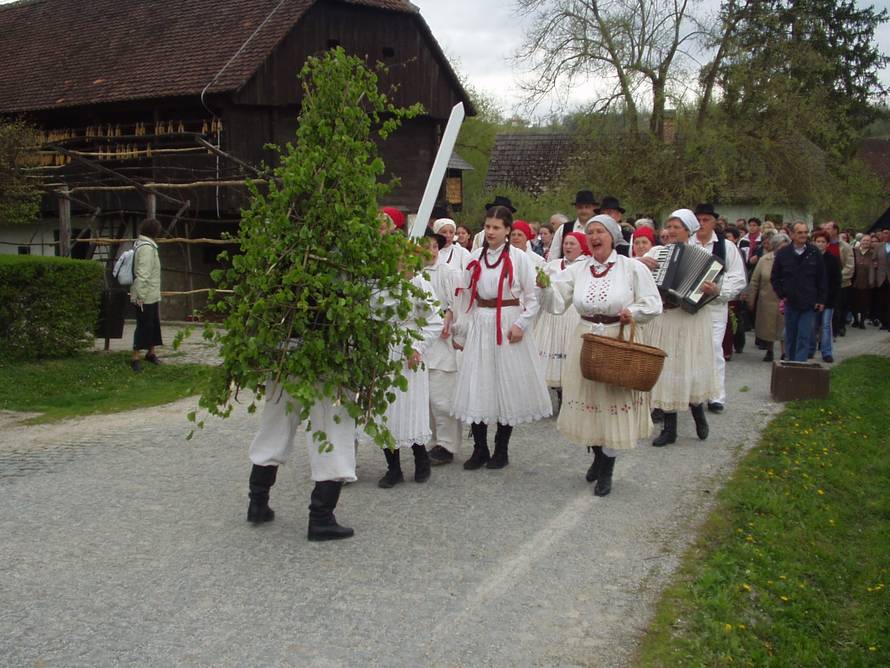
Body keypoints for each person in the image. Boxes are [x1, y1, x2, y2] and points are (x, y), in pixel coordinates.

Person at [539, 214, 661, 495]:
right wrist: (545, 285)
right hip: (585, 339)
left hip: (617, 340)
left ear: (612, 237)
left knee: (611, 403)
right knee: (589, 401)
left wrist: (634, 312)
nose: (594, 237)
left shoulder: (631, 268)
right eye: (590, 232)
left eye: (600, 232)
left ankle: (607, 467)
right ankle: (596, 454)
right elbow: (557, 305)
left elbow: (653, 304)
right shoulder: (579, 269)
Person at [451, 205, 552, 469]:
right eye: (487, 227)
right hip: (481, 323)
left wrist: (521, 324)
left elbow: (533, 297)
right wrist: (461, 329)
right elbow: (465, 294)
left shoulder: (520, 259)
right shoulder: (475, 257)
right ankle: (480, 448)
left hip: (506, 323)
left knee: (505, 384)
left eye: (497, 227)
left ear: (508, 230)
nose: (491, 232)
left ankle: (501, 449)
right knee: (478, 383)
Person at [638, 209, 717, 447]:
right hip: (665, 317)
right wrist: (642, 265)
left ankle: (697, 413)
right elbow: (635, 275)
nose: (671, 231)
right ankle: (669, 429)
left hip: (689, 320)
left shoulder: (704, 256)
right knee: (666, 370)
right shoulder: (656, 253)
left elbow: (717, 290)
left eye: (677, 227)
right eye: (669, 226)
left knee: (688, 366)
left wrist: (714, 291)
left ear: (688, 231)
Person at [368, 261, 444, 488]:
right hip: (382, 349)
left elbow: (435, 321)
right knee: (384, 407)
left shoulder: (419, 282)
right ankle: (393, 468)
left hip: (408, 350)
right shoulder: (376, 282)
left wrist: (417, 347)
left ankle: (421, 460)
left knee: (411, 405)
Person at [691, 203, 747, 414]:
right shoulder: (687, 244)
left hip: (714, 307)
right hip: (690, 307)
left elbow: (738, 278)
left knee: (714, 349)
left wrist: (718, 290)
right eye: (699, 220)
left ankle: (716, 396)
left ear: (715, 222)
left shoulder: (726, 247)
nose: (702, 224)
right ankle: (692, 394)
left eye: (706, 220)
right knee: (690, 350)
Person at [421, 232, 465, 467]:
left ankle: (448, 445)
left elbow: (457, 301)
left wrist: (449, 316)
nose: (431, 251)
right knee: (426, 396)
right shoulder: (413, 273)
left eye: (434, 247)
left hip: (441, 338)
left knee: (441, 396)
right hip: (420, 339)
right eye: (426, 246)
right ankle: (434, 441)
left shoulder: (449, 273)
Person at [534, 231, 589, 397]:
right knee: (552, 347)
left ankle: (569, 393)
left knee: (569, 351)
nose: (568, 246)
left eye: (572, 244)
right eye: (566, 243)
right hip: (553, 314)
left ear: (582, 247)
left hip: (573, 313)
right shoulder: (553, 265)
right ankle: (557, 393)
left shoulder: (586, 266)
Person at [770, 222, 827, 362]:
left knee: (804, 334)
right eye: (800, 232)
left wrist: (821, 300)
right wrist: (782, 294)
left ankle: (800, 364)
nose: (803, 235)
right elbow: (775, 277)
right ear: (792, 235)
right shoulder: (783, 254)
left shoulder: (814, 253)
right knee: (791, 335)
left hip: (809, 302)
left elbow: (822, 278)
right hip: (791, 301)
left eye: (805, 232)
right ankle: (790, 362)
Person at [746, 233, 789, 362]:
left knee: (784, 327)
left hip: (785, 299)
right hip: (767, 299)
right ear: (775, 247)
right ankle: (769, 350)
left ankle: (784, 352)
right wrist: (751, 298)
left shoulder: (792, 260)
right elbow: (754, 280)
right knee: (768, 328)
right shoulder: (764, 260)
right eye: (781, 247)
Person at [130, 217, 164, 372]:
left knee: (152, 324)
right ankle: (135, 357)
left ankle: (151, 352)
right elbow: (143, 274)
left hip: (151, 293)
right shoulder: (146, 248)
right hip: (145, 295)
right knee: (144, 325)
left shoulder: (145, 245)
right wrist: (141, 296)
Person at [810, 230, 842, 363]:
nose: (820, 244)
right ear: (814, 243)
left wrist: (831, 299)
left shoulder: (833, 260)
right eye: (818, 241)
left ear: (828, 244)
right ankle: (810, 349)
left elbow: (836, 281)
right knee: (812, 325)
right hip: (812, 299)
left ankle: (826, 351)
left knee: (826, 325)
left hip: (828, 300)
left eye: (823, 242)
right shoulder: (810, 257)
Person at [822, 221, 854, 337]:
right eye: (825, 228)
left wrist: (837, 277)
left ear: (835, 230)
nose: (826, 230)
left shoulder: (845, 247)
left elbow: (849, 266)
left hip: (840, 283)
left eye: (828, 228)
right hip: (824, 283)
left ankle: (839, 327)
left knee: (839, 307)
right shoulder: (822, 244)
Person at [550, 190, 598, 260]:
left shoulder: (600, 228)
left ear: (593, 208)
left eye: (587, 207)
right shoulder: (564, 228)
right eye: (580, 207)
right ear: (576, 208)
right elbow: (553, 255)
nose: (583, 211)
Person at [851, 233, 877, 329]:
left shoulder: (873, 253)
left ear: (870, 243)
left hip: (866, 282)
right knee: (853, 302)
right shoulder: (854, 251)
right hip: (854, 281)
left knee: (864, 303)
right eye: (864, 240)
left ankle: (862, 321)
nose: (865, 242)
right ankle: (855, 320)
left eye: (868, 240)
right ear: (860, 241)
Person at [875, 228, 890, 330]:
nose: (885, 235)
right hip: (882, 278)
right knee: (883, 301)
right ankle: (885, 322)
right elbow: (873, 260)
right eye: (884, 233)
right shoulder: (879, 246)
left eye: (887, 233)